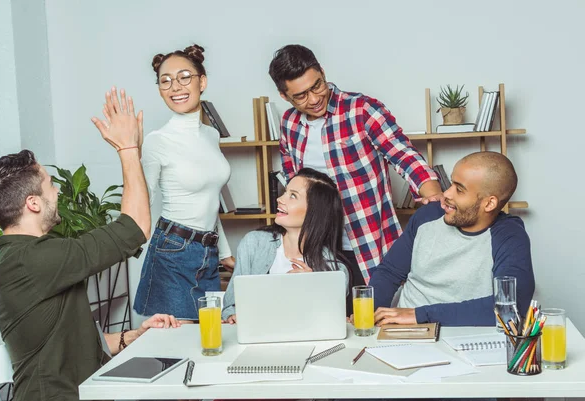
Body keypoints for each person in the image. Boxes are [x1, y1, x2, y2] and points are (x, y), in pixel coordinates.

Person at [0, 88, 183, 401]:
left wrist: (133, 336)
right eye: (51, 185)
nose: (58, 193)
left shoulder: (26, 257)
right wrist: (128, 149)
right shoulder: (34, 260)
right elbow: (135, 228)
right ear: (33, 203)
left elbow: (69, 345)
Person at [268, 44, 443, 299]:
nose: (314, 99)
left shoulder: (361, 109)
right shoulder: (290, 123)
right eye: (301, 96)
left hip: (366, 242)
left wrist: (432, 194)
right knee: (322, 320)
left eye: (317, 85)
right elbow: (292, 177)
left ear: (323, 72)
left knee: (369, 322)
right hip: (317, 247)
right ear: (285, 96)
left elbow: (402, 154)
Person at [367, 151, 535, 326]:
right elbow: (389, 272)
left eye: (459, 190)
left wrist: (421, 315)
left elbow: (510, 307)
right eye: (450, 184)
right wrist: (368, 314)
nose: (446, 194)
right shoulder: (428, 215)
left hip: (459, 336)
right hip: (405, 332)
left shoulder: (509, 236)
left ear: (489, 203)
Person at [133, 44, 234, 320]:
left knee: (208, 337)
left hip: (208, 252)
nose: (175, 86)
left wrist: (224, 252)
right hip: (172, 252)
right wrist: (128, 152)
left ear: (202, 81)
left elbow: (211, 200)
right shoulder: (158, 141)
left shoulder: (211, 135)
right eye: (165, 81)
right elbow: (142, 199)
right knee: (176, 342)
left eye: (184, 77)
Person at [222, 168, 350, 322]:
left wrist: (314, 285)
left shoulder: (336, 271)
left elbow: (333, 322)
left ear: (314, 212)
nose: (280, 199)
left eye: (293, 196)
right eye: (285, 192)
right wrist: (232, 316)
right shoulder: (253, 244)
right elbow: (230, 305)